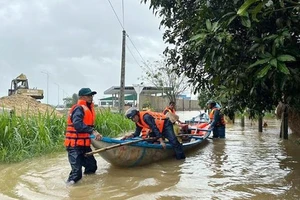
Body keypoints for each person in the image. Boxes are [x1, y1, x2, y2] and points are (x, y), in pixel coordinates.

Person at [64, 88, 102, 185]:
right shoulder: (79, 108)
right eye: (88, 96)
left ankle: (88, 187)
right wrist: (92, 131)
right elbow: (78, 125)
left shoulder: (89, 109)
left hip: (84, 145)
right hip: (74, 146)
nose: (91, 97)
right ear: (82, 97)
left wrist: (94, 132)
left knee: (92, 167)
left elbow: (88, 126)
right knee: (76, 174)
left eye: (91, 95)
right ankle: (69, 190)